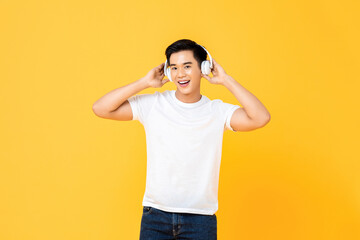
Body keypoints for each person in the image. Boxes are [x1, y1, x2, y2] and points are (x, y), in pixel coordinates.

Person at [92, 39, 271, 240]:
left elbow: (261, 118)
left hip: (200, 221)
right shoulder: (154, 104)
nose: (180, 74)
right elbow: (101, 108)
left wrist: (226, 80)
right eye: (174, 68)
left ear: (203, 68)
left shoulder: (217, 111)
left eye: (187, 66)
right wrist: (145, 82)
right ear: (168, 72)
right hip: (155, 217)